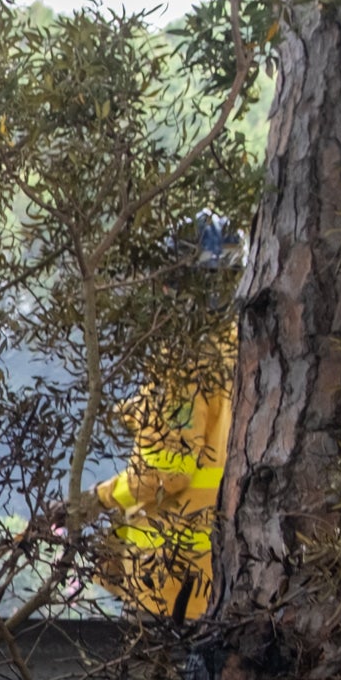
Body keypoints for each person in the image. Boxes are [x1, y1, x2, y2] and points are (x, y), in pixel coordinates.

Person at [90, 211, 243, 624]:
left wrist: (98, 499)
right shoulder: (243, 343)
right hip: (224, 572)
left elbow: (166, 474)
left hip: (169, 579)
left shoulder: (182, 358)